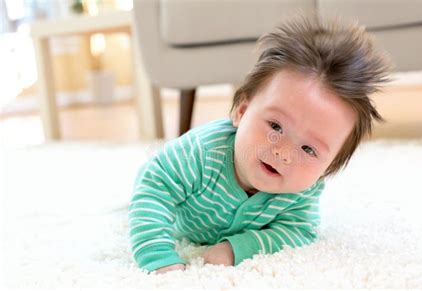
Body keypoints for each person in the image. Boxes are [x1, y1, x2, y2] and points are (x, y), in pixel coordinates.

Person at [128, 13, 392, 274]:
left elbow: (297, 231)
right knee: (145, 204)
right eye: (275, 126)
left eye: (309, 149)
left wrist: (237, 248)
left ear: (328, 166)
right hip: (181, 217)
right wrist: (159, 257)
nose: (284, 153)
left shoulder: (303, 189)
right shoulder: (200, 153)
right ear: (241, 112)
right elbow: (154, 187)